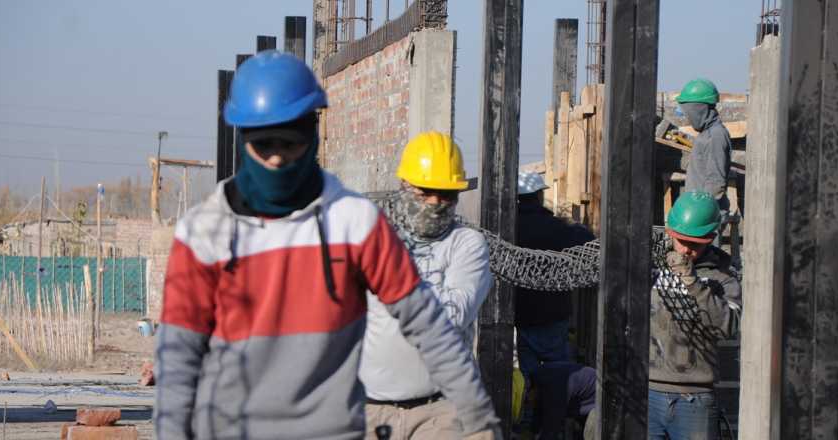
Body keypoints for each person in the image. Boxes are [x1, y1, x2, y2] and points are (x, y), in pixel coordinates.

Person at [154, 51, 499, 440]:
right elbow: (180, 359)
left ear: (312, 134)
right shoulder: (203, 233)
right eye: (265, 144)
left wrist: (477, 421)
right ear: (243, 137)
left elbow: (434, 329)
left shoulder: (354, 223)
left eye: (290, 142)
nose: (277, 159)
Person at [360, 131, 494, 440]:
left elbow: (452, 316)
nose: (435, 203)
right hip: (370, 411)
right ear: (404, 187)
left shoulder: (466, 244)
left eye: (445, 194)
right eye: (425, 193)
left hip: (444, 413)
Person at [649, 191, 742, 440]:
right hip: (648, 391)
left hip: (695, 398)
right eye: (682, 241)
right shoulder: (651, 267)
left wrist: (693, 284)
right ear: (670, 233)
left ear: (710, 238)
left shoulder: (723, 279)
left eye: (695, 244)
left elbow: (728, 326)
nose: (687, 250)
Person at [513, 171, 595, 381]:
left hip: (520, 316)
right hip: (553, 314)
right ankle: (555, 409)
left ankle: (530, 411)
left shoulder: (509, 227)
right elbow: (588, 241)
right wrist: (575, 226)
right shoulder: (555, 227)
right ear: (539, 195)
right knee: (558, 377)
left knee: (528, 377)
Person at [675, 78, 732, 213]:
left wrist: (700, 215)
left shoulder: (715, 136)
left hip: (704, 215)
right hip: (698, 211)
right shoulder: (707, 133)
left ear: (698, 109)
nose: (687, 118)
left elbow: (715, 182)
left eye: (688, 112)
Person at [530, 361, 596, 440]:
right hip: (583, 396)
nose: (528, 404)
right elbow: (538, 414)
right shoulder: (539, 379)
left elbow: (552, 427)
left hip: (599, 401)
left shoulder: (553, 387)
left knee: (590, 435)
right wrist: (533, 431)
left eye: (526, 401)